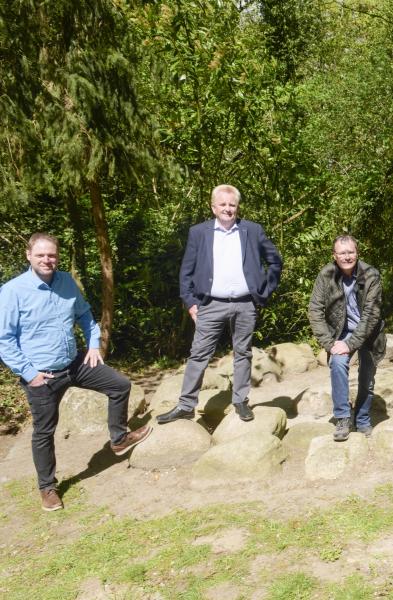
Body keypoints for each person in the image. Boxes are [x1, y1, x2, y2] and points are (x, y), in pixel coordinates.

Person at [0, 233, 152, 511]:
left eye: (52, 255)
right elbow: (4, 340)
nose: (48, 260)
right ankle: (47, 488)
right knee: (44, 432)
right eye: (41, 255)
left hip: (75, 363)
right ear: (28, 256)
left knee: (119, 385)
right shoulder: (12, 291)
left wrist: (93, 345)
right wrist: (29, 373)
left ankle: (119, 440)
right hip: (41, 376)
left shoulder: (66, 281)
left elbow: (84, 315)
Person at [157, 184, 283, 425]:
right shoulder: (199, 233)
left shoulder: (252, 231)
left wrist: (264, 292)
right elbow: (187, 271)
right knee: (198, 355)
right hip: (210, 304)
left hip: (246, 304)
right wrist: (191, 302)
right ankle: (185, 405)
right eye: (223, 204)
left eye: (232, 205)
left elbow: (275, 262)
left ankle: (241, 401)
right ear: (213, 207)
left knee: (243, 353)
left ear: (237, 207)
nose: (228, 209)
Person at [308, 235, 386, 441]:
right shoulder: (326, 275)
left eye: (351, 252)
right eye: (342, 253)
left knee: (366, 377)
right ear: (334, 255)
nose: (347, 256)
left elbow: (371, 315)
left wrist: (351, 343)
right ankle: (342, 417)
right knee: (338, 363)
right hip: (340, 333)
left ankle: (361, 419)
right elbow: (315, 310)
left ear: (357, 253)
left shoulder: (371, 275)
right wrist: (329, 343)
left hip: (369, 333)